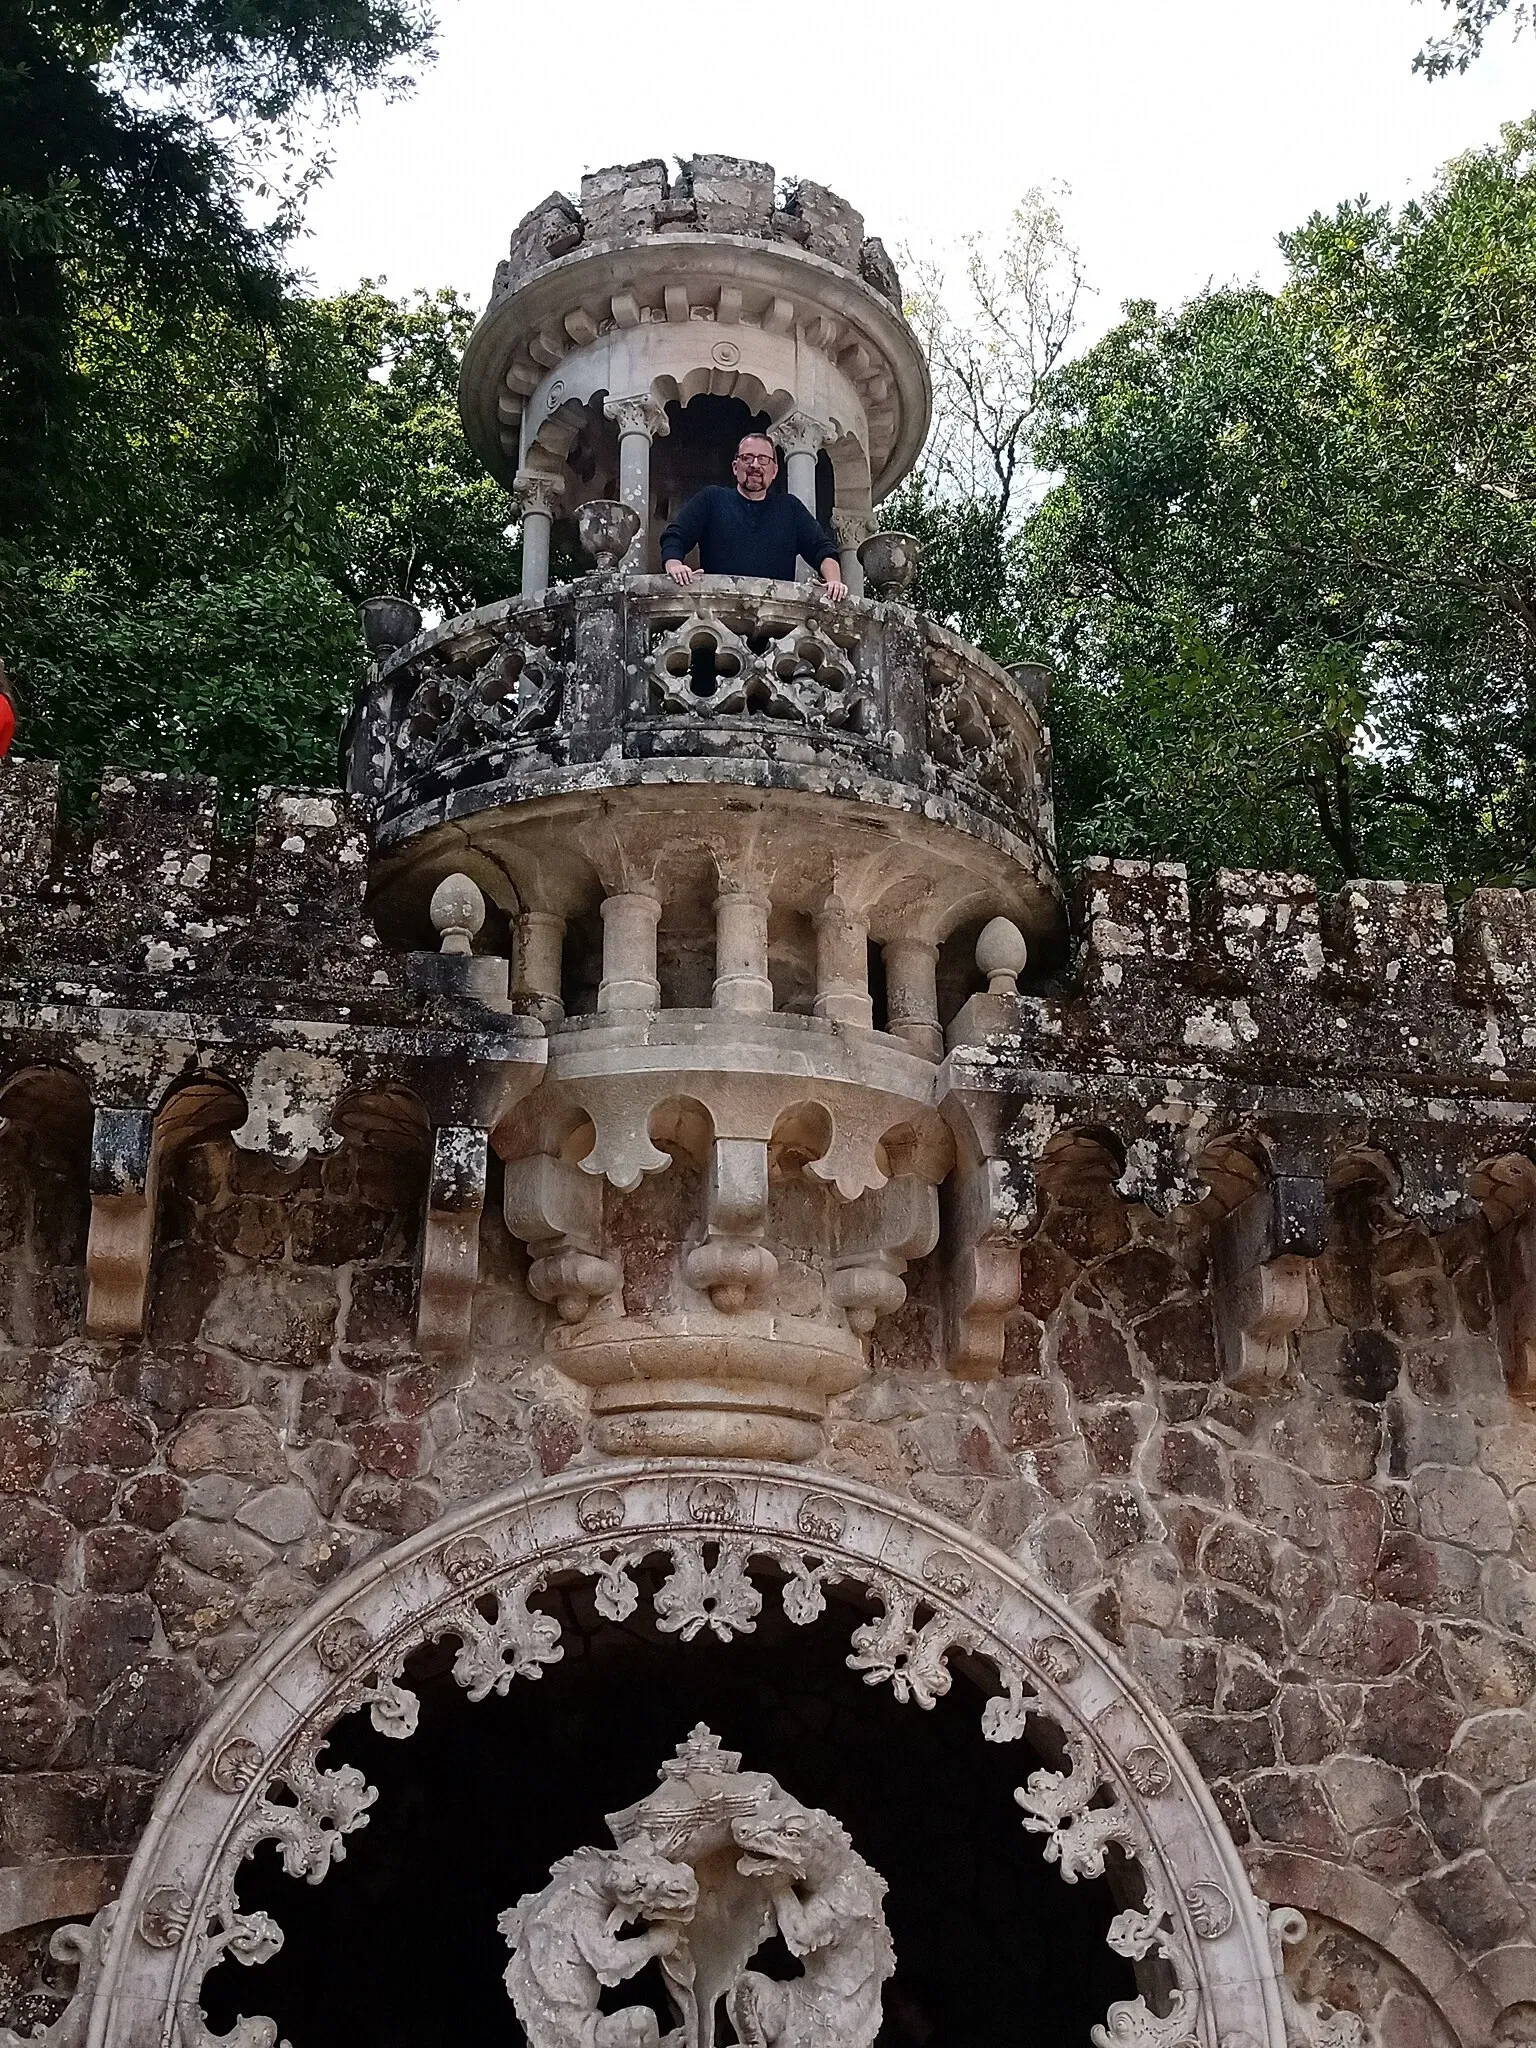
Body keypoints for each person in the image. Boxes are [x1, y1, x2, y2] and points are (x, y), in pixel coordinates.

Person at [660, 432, 847, 598]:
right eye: (747, 458)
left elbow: (822, 549)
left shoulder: (791, 509)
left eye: (763, 459)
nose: (755, 465)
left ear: (774, 471)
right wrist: (674, 565)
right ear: (735, 466)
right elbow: (676, 536)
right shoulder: (712, 499)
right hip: (719, 617)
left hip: (775, 624)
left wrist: (833, 582)